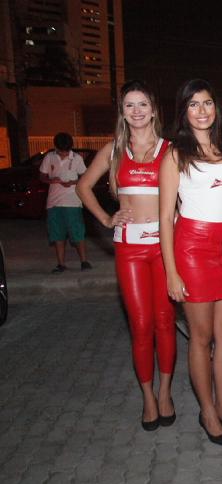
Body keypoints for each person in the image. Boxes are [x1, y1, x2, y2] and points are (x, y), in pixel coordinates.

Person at [76, 80, 176, 431]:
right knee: (141, 325)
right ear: (122, 112)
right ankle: (147, 396)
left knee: (165, 322)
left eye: (142, 104)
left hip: (164, 247)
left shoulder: (170, 150)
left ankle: (165, 392)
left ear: (154, 110)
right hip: (130, 248)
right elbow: (83, 187)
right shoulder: (114, 150)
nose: (136, 111)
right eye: (129, 105)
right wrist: (106, 219)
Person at [159, 79, 222, 446]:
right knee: (202, 336)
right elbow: (165, 217)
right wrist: (171, 271)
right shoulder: (174, 154)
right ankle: (207, 410)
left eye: (207, 103)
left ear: (216, 107)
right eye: (193, 104)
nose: (202, 111)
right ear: (184, 111)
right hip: (193, 247)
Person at [39, 132, 91, 273]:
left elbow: (86, 177)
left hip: (72, 202)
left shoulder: (77, 158)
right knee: (57, 234)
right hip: (54, 202)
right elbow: (42, 176)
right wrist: (51, 180)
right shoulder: (49, 157)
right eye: (61, 151)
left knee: (77, 232)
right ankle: (61, 264)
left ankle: (84, 261)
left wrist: (73, 182)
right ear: (56, 147)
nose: (64, 154)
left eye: (66, 151)